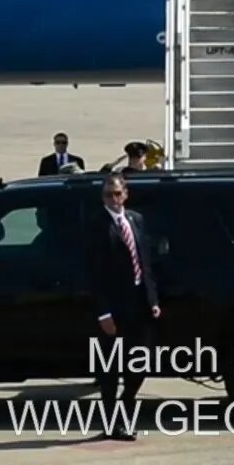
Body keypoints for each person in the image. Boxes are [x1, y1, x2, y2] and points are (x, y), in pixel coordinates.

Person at [85, 173, 160, 441]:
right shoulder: (97, 225)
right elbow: (94, 273)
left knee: (140, 363)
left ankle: (126, 404)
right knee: (110, 369)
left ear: (125, 194)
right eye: (108, 195)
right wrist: (103, 312)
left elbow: (145, 262)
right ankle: (111, 424)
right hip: (113, 309)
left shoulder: (136, 220)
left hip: (139, 304)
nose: (114, 199)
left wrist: (152, 300)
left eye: (118, 194)